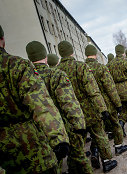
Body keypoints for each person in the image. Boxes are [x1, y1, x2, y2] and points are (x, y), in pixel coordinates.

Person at [0, 25, 69, 173]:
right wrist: (58, 139)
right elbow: (41, 105)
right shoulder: (16, 65)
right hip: (29, 146)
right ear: (3, 40)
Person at [26, 41, 91, 174]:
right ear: (45, 56)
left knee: (54, 166)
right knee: (79, 159)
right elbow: (69, 103)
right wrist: (80, 126)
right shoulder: (56, 74)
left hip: (40, 131)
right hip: (64, 127)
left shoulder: (27, 78)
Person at [57, 41, 117, 172]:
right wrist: (103, 109)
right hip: (89, 109)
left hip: (71, 114)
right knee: (100, 135)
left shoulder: (56, 72)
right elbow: (93, 91)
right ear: (72, 51)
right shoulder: (81, 67)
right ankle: (107, 161)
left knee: (77, 143)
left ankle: (77, 168)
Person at [84, 45, 127, 155]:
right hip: (105, 102)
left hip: (90, 105)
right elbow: (110, 88)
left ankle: (94, 151)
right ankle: (118, 146)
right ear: (95, 54)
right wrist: (118, 104)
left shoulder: (82, 68)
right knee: (115, 124)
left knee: (98, 130)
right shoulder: (101, 68)